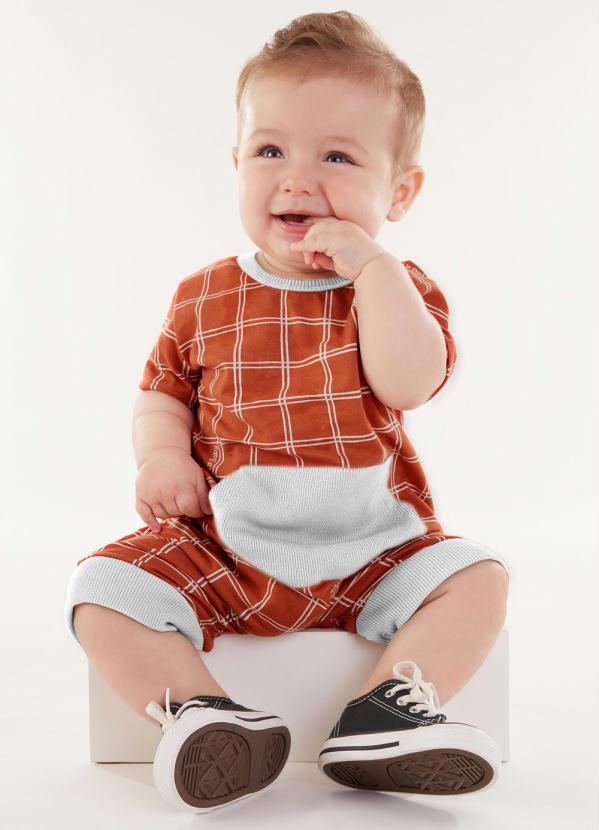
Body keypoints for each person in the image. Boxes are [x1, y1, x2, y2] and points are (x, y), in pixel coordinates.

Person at [64, 10, 511, 814]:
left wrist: (370, 267)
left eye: (337, 156)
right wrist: (161, 458)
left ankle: (382, 715)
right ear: (236, 163)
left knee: (477, 579)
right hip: (227, 552)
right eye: (269, 150)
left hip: (375, 550)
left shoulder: (395, 288)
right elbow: (162, 390)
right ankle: (203, 715)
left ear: (398, 190)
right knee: (100, 588)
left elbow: (408, 381)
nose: (296, 178)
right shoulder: (204, 293)